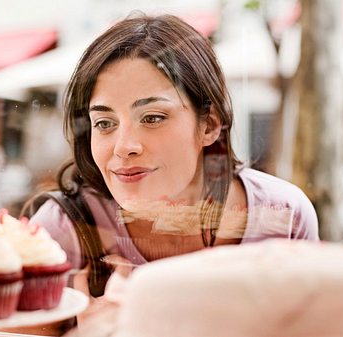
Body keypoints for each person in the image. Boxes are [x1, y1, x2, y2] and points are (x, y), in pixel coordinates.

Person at [25, 12, 319, 327]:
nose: (124, 147)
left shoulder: (282, 216)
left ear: (209, 125)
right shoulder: (64, 231)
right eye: (105, 123)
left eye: (152, 117)